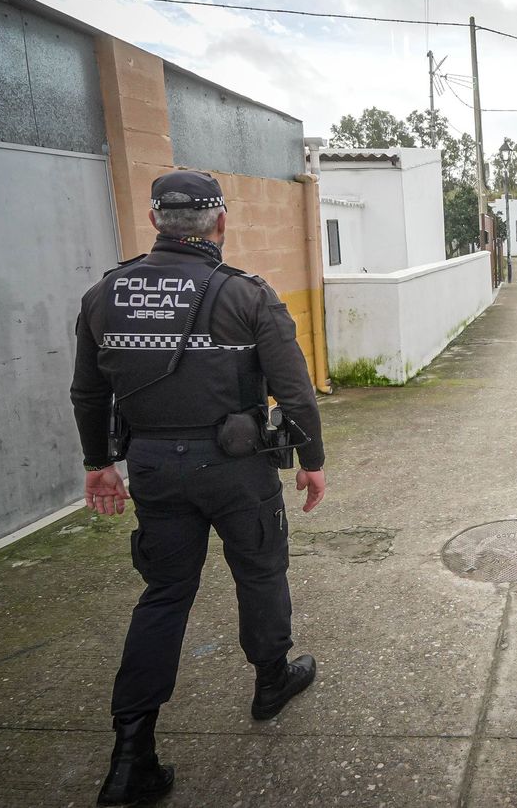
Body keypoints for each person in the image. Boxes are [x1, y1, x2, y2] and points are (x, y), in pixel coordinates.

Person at [71, 169, 327, 806]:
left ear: (156, 220)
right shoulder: (247, 295)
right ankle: (271, 682)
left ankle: (132, 753)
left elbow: (88, 391)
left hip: (154, 468)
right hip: (236, 468)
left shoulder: (104, 295)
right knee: (261, 573)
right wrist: (311, 458)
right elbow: (292, 388)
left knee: (163, 595)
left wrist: (99, 461)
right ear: (220, 223)